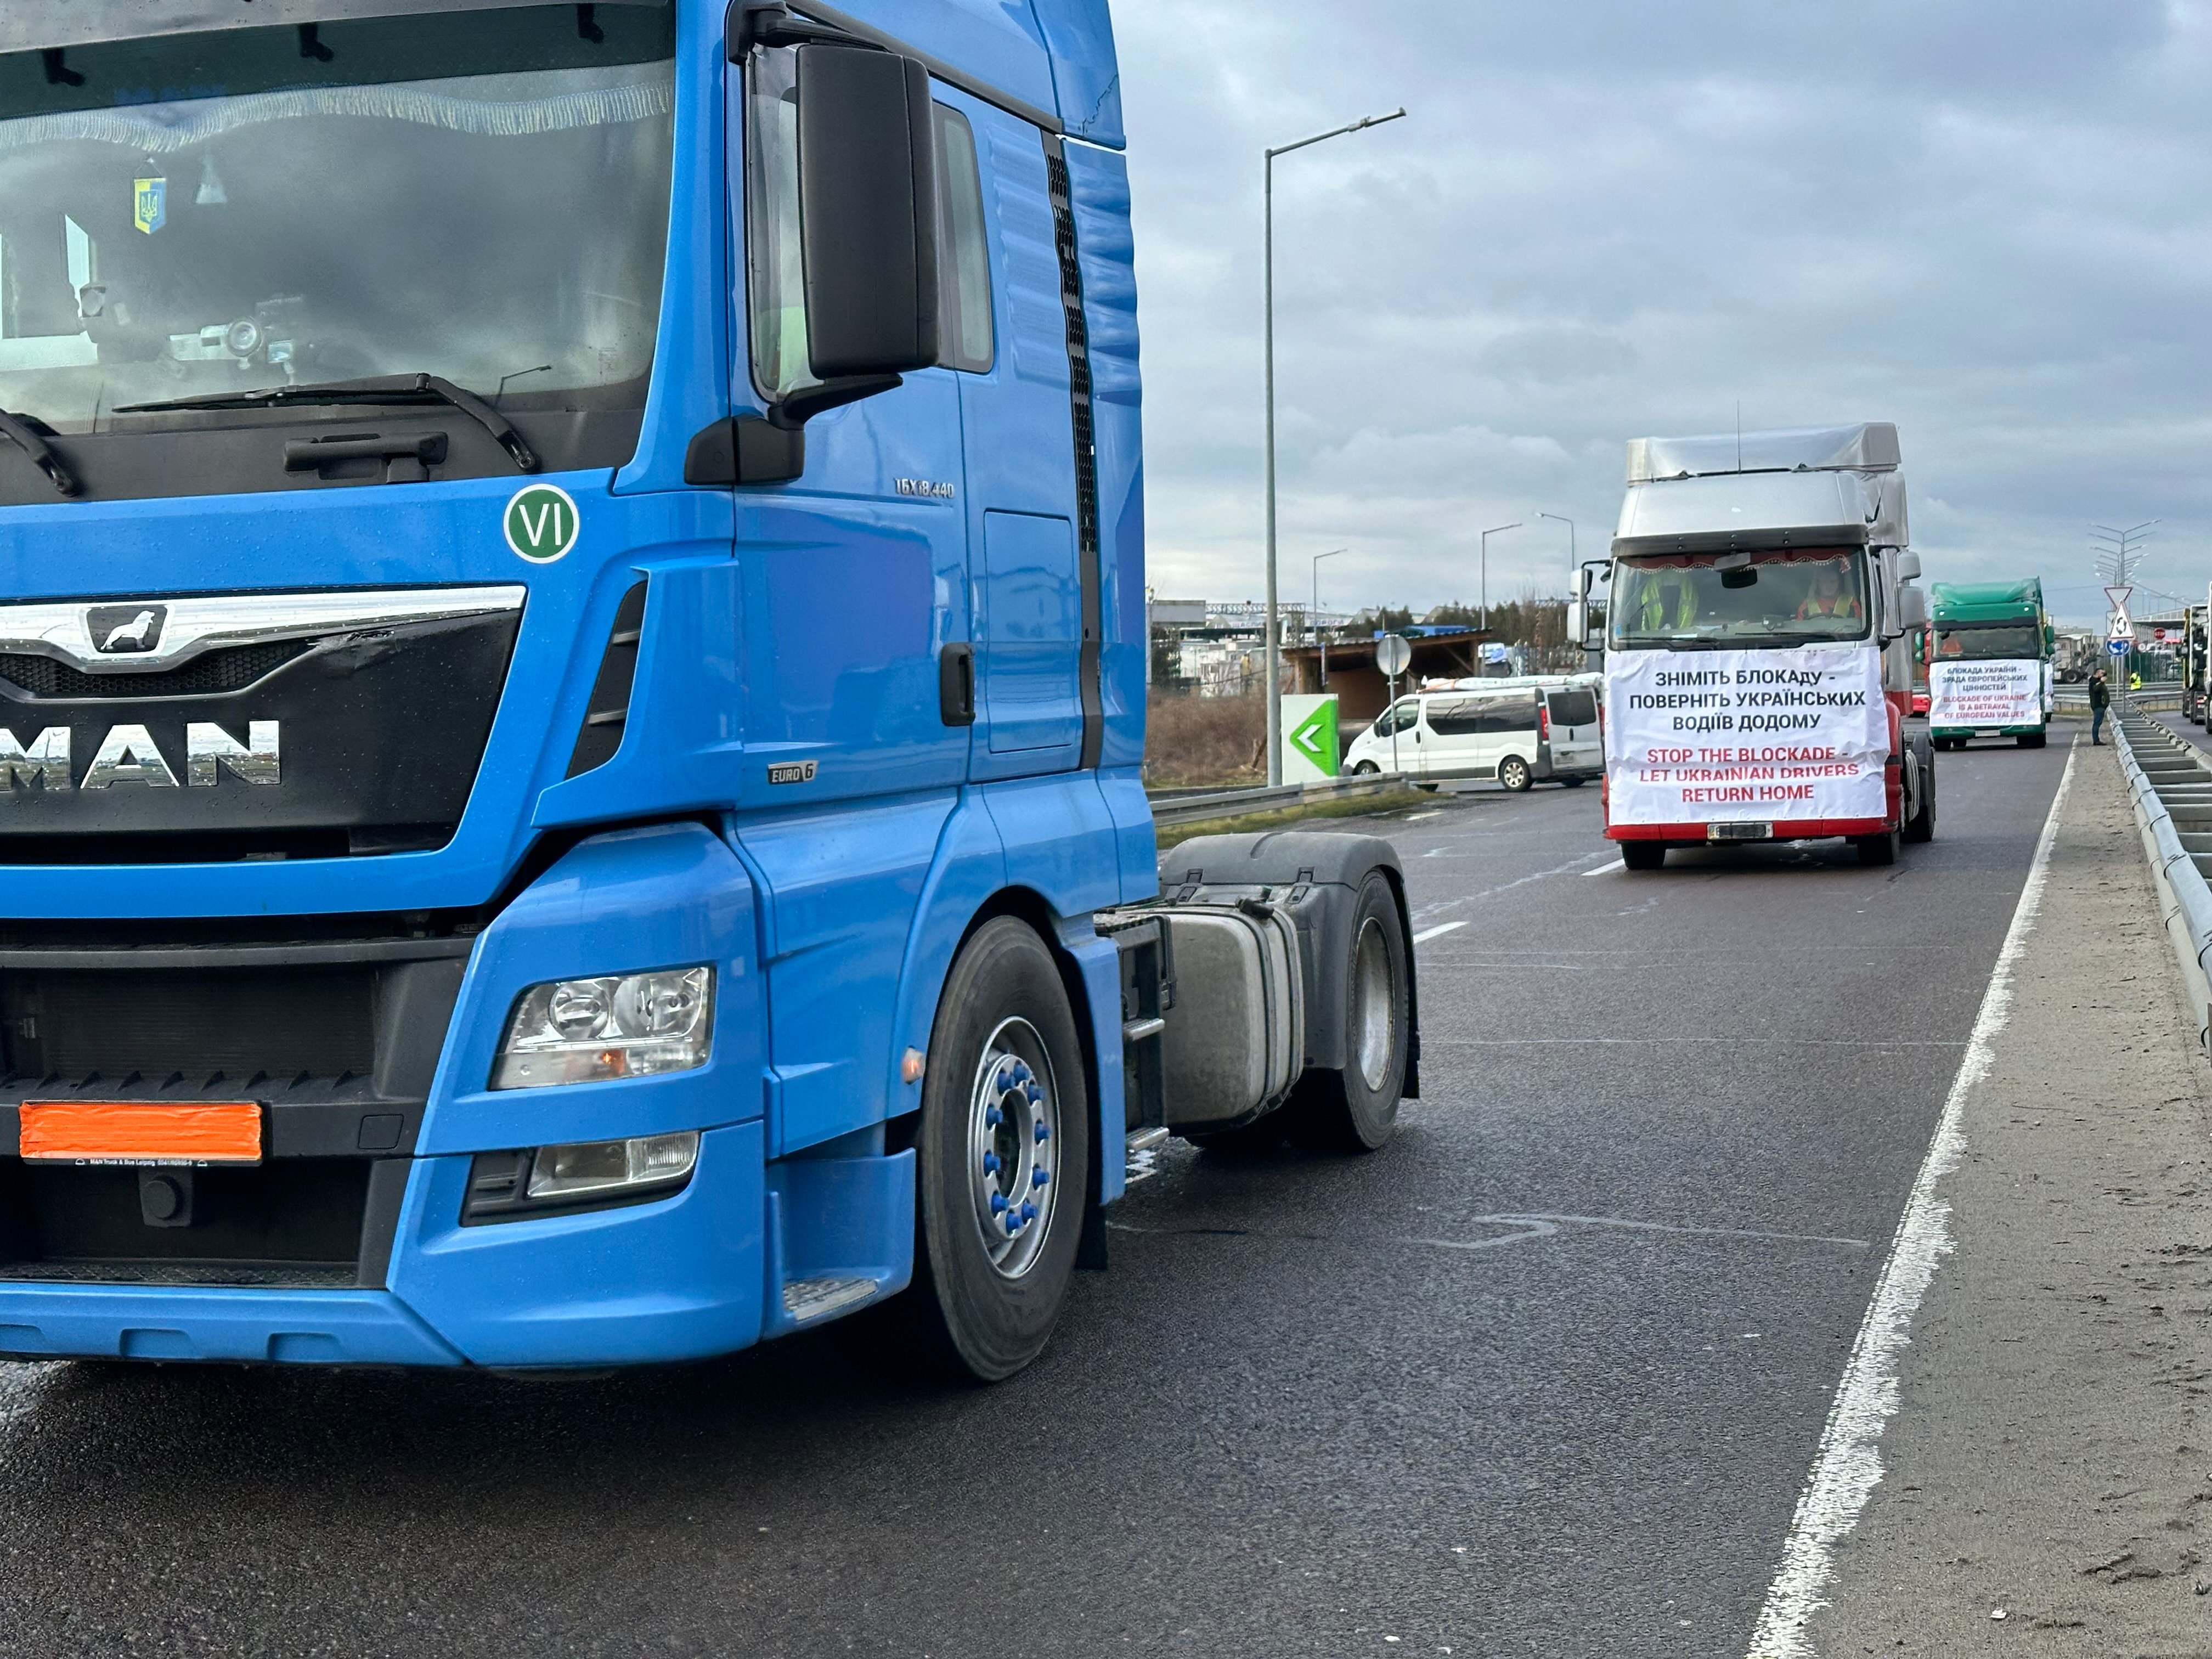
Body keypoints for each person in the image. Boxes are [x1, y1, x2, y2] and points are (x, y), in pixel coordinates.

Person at [1795, 563, 1864, 622]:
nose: (1829, 585)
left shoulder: (1851, 603)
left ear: (1839, 582)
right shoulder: (1806, 605)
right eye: (1824, 581)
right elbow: (1800, 628)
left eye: (1833, 581)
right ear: (1818, 583)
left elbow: (1857, 625)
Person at [2088, 669, 2109, 744]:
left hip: (2101, 706)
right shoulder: (2094, 682)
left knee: (2098, 723)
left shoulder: (2097, 681)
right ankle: (2096, 741)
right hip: (2098, 705)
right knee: (2097, 723)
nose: (2104, 674)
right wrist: (2101, 682)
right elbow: (2096, 689)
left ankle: (2096, 740)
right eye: (2102, 673)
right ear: (2097, 674)